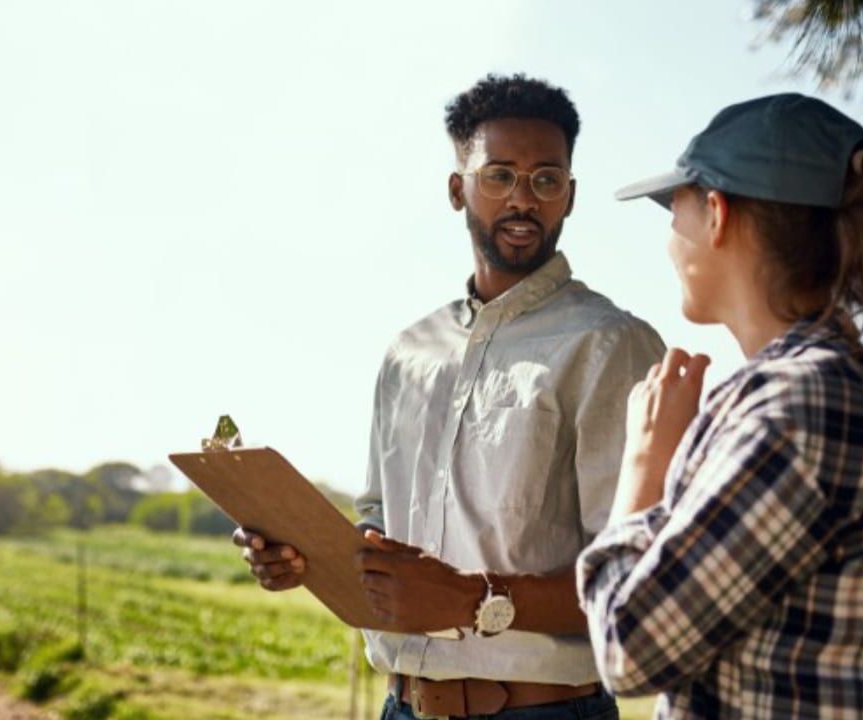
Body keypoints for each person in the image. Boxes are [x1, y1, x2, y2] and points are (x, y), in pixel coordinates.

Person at [234, 73, 664, 719]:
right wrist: (305, 556)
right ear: (456, 188)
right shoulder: (410, 350)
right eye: (498, 176)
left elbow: (635, 578)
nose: (523, 199)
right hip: (400, 706)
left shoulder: (610, 345)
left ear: (570, 197)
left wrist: (476, 599)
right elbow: (380, 519)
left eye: (546, 180)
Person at [577, 93, 863, 718]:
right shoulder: (811, 394)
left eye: (674, 204)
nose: (670, 235)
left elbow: (629, 647)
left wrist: (644, 466)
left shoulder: (800, 409)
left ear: (717, 213)